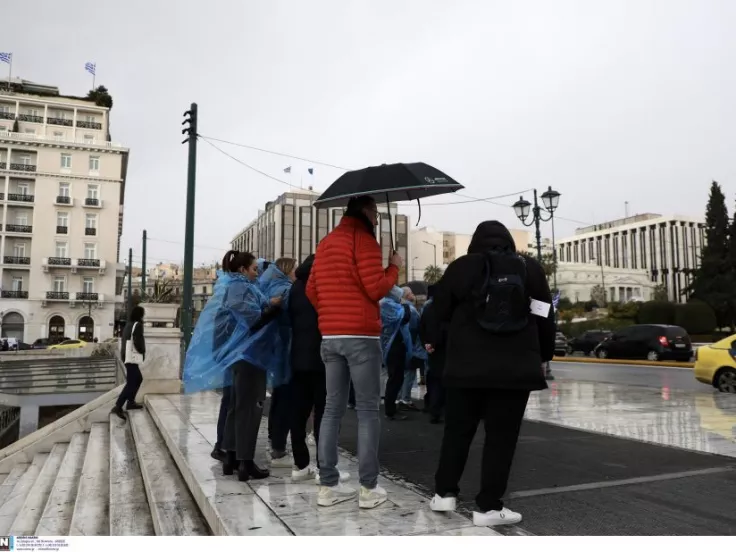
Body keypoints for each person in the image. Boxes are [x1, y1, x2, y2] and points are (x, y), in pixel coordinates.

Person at [425, 221, 555, 527]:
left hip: (465, 368)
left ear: (475, 243)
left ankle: (444, 493)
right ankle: (488, 507)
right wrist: (544, 355)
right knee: (501, 439)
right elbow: (545, 315)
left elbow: (437, 313)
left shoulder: (461, 268)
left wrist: (436, 345)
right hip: (515, 370)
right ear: (509, 242)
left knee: (457, 431)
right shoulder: (530, 269)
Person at [306, 195, 402, 509]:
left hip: (330, 336)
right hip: (361, 336)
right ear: (365, 211)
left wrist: (330, 315)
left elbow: (311, 289)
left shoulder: (326, 243)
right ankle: (368, 488)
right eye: (375, 212)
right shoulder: (364, 241)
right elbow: (375, 288)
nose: (376, 218)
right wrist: (394, 268)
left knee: (331, 409)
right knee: (367, 411)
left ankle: (328, 487)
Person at [185, 250, 283, 482]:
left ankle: (231, 457)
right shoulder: (241, 288)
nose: (257, 273)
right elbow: (254, 319)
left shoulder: (230, 287)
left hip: (237, 357)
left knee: (235, 407)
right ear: (242, 270)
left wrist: (268, 303)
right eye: (254, 269)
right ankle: (245, 463)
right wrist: (275, 308)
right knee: (250, 409)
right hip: (249, 357)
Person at [259, 257, 297, 468]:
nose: (296, 273)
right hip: (287, 349)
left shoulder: (271, 287)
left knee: (278, 397)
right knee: (286, 399)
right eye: (294, 268)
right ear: (286, 270)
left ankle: (275, 440)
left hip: (278, 350)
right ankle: (279, 448)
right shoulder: (286, 290)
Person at [380, 286, 413, 421]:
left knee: (396, 378)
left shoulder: (389, 304)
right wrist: (405, 305)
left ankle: (391, 406)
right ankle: (390, 409)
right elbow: (405, 317)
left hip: (396, 346)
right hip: (393, 347)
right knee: (395, 379)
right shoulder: (387, 304)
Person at [112, 305, 146, 420]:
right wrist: (142, 351)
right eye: (143, 314)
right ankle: (118, 406)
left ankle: (130, 402)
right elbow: (137, 341)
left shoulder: (128, 325)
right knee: (132, 382)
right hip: (131, 357)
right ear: (140, 315)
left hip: (126, 356)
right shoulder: (138, 325)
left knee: (138, 378)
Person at [419, 285, 446, 424]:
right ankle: (438, 410)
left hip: (431, 348)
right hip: (442, 349)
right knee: (442, 381)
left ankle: (432, 407)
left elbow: (421, 327)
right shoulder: (445, 310)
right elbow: (443, 329)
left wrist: (426, 343)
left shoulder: (428, 309)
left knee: (433, 379)